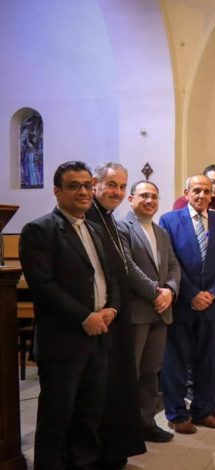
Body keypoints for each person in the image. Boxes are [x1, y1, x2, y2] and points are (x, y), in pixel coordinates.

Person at [20, 161, 120, 469]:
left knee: (89, 415)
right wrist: (84, 317)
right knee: (57, 419)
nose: (83, 192)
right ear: (57, 191)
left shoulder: (94, 228)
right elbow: (44, 287)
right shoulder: (39, 230)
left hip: (98, 337)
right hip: (63, 342)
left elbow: (110, 276)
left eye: (87, 185)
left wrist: (112, 308)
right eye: (74, 186)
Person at [159, 174, 215, 434]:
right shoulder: (169, 221)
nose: (202, 195)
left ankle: (204, 411)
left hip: (210, 305)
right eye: (197, 190)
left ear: (212, 195)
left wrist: (212, 293)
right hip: (182, 303)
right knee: (176, 361)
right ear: (186, 193)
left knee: (207, 361)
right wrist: (192, 294)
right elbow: (171, 262)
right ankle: (177, 414)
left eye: (206, 191)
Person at [85, 162, 147, 467]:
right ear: (95, 184)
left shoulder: (109, 219)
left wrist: (117, 307)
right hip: (99, 319)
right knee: (100, 393)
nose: (118, 192)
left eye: (122, 186)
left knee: (119, 387)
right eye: (111, 185)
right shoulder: (88, 219)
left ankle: (114, 452)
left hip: (117, 316)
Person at [118, 180, 181, 444]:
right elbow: (127, 266)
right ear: (131, 199)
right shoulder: (121, 227)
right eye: (144, 195)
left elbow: (173, 265)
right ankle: (126, 429)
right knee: (130, 373)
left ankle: (146, 423)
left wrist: (171, 291)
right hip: (137, 312)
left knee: (151, 371)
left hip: (160, 311)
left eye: (154, 196)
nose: (150, 201)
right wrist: (156, 293)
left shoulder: (160, 231)